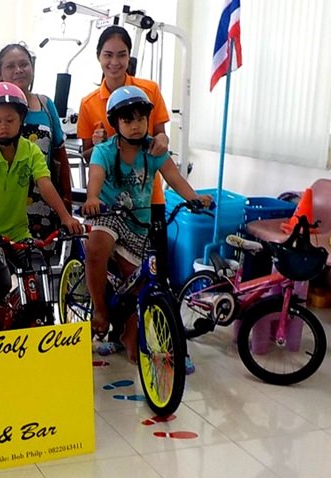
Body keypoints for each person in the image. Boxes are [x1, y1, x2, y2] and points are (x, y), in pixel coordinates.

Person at [80, 86, 211, 363]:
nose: (136, 126)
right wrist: (92, 198)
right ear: (115, 123)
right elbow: (96, 179)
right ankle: (100, 311)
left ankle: (130, 333)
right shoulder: (103, 151)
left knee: (137, 284)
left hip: (139, 221)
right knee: (96, 248)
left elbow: (175, 179)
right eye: (128, 120)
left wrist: (195, 198)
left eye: (141, 119)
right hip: (108, 214)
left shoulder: (154, 150)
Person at [77, 25, 171, 357]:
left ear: (129, 56)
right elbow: (89, 155)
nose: (115, 62)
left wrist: (162, 140)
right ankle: (115, 328)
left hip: (148, 200)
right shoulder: (89, 103)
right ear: (98, 57)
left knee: (150, 274)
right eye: (108, 55)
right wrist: (100, 147)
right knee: (109, 263)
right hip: (110, 205)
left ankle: (159, 341)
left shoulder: (149, 90)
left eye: (121, 54)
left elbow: (159, 140)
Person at [0, 82, 83, 333]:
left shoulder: (29, 151)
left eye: (10, 120)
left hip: (18, 231)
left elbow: (45, 184)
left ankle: (25, 322)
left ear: (21, 120)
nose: (3, 126)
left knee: (38, 274)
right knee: (0, 279)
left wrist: (66, 218)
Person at [0, 43, 72, 254]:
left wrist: (66, 203)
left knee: (40, 275)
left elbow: (59, 154)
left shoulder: (46, 104)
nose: (18, 70)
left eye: (24, 64)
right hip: (2, 211)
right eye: (10, 66)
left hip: (45, 205)